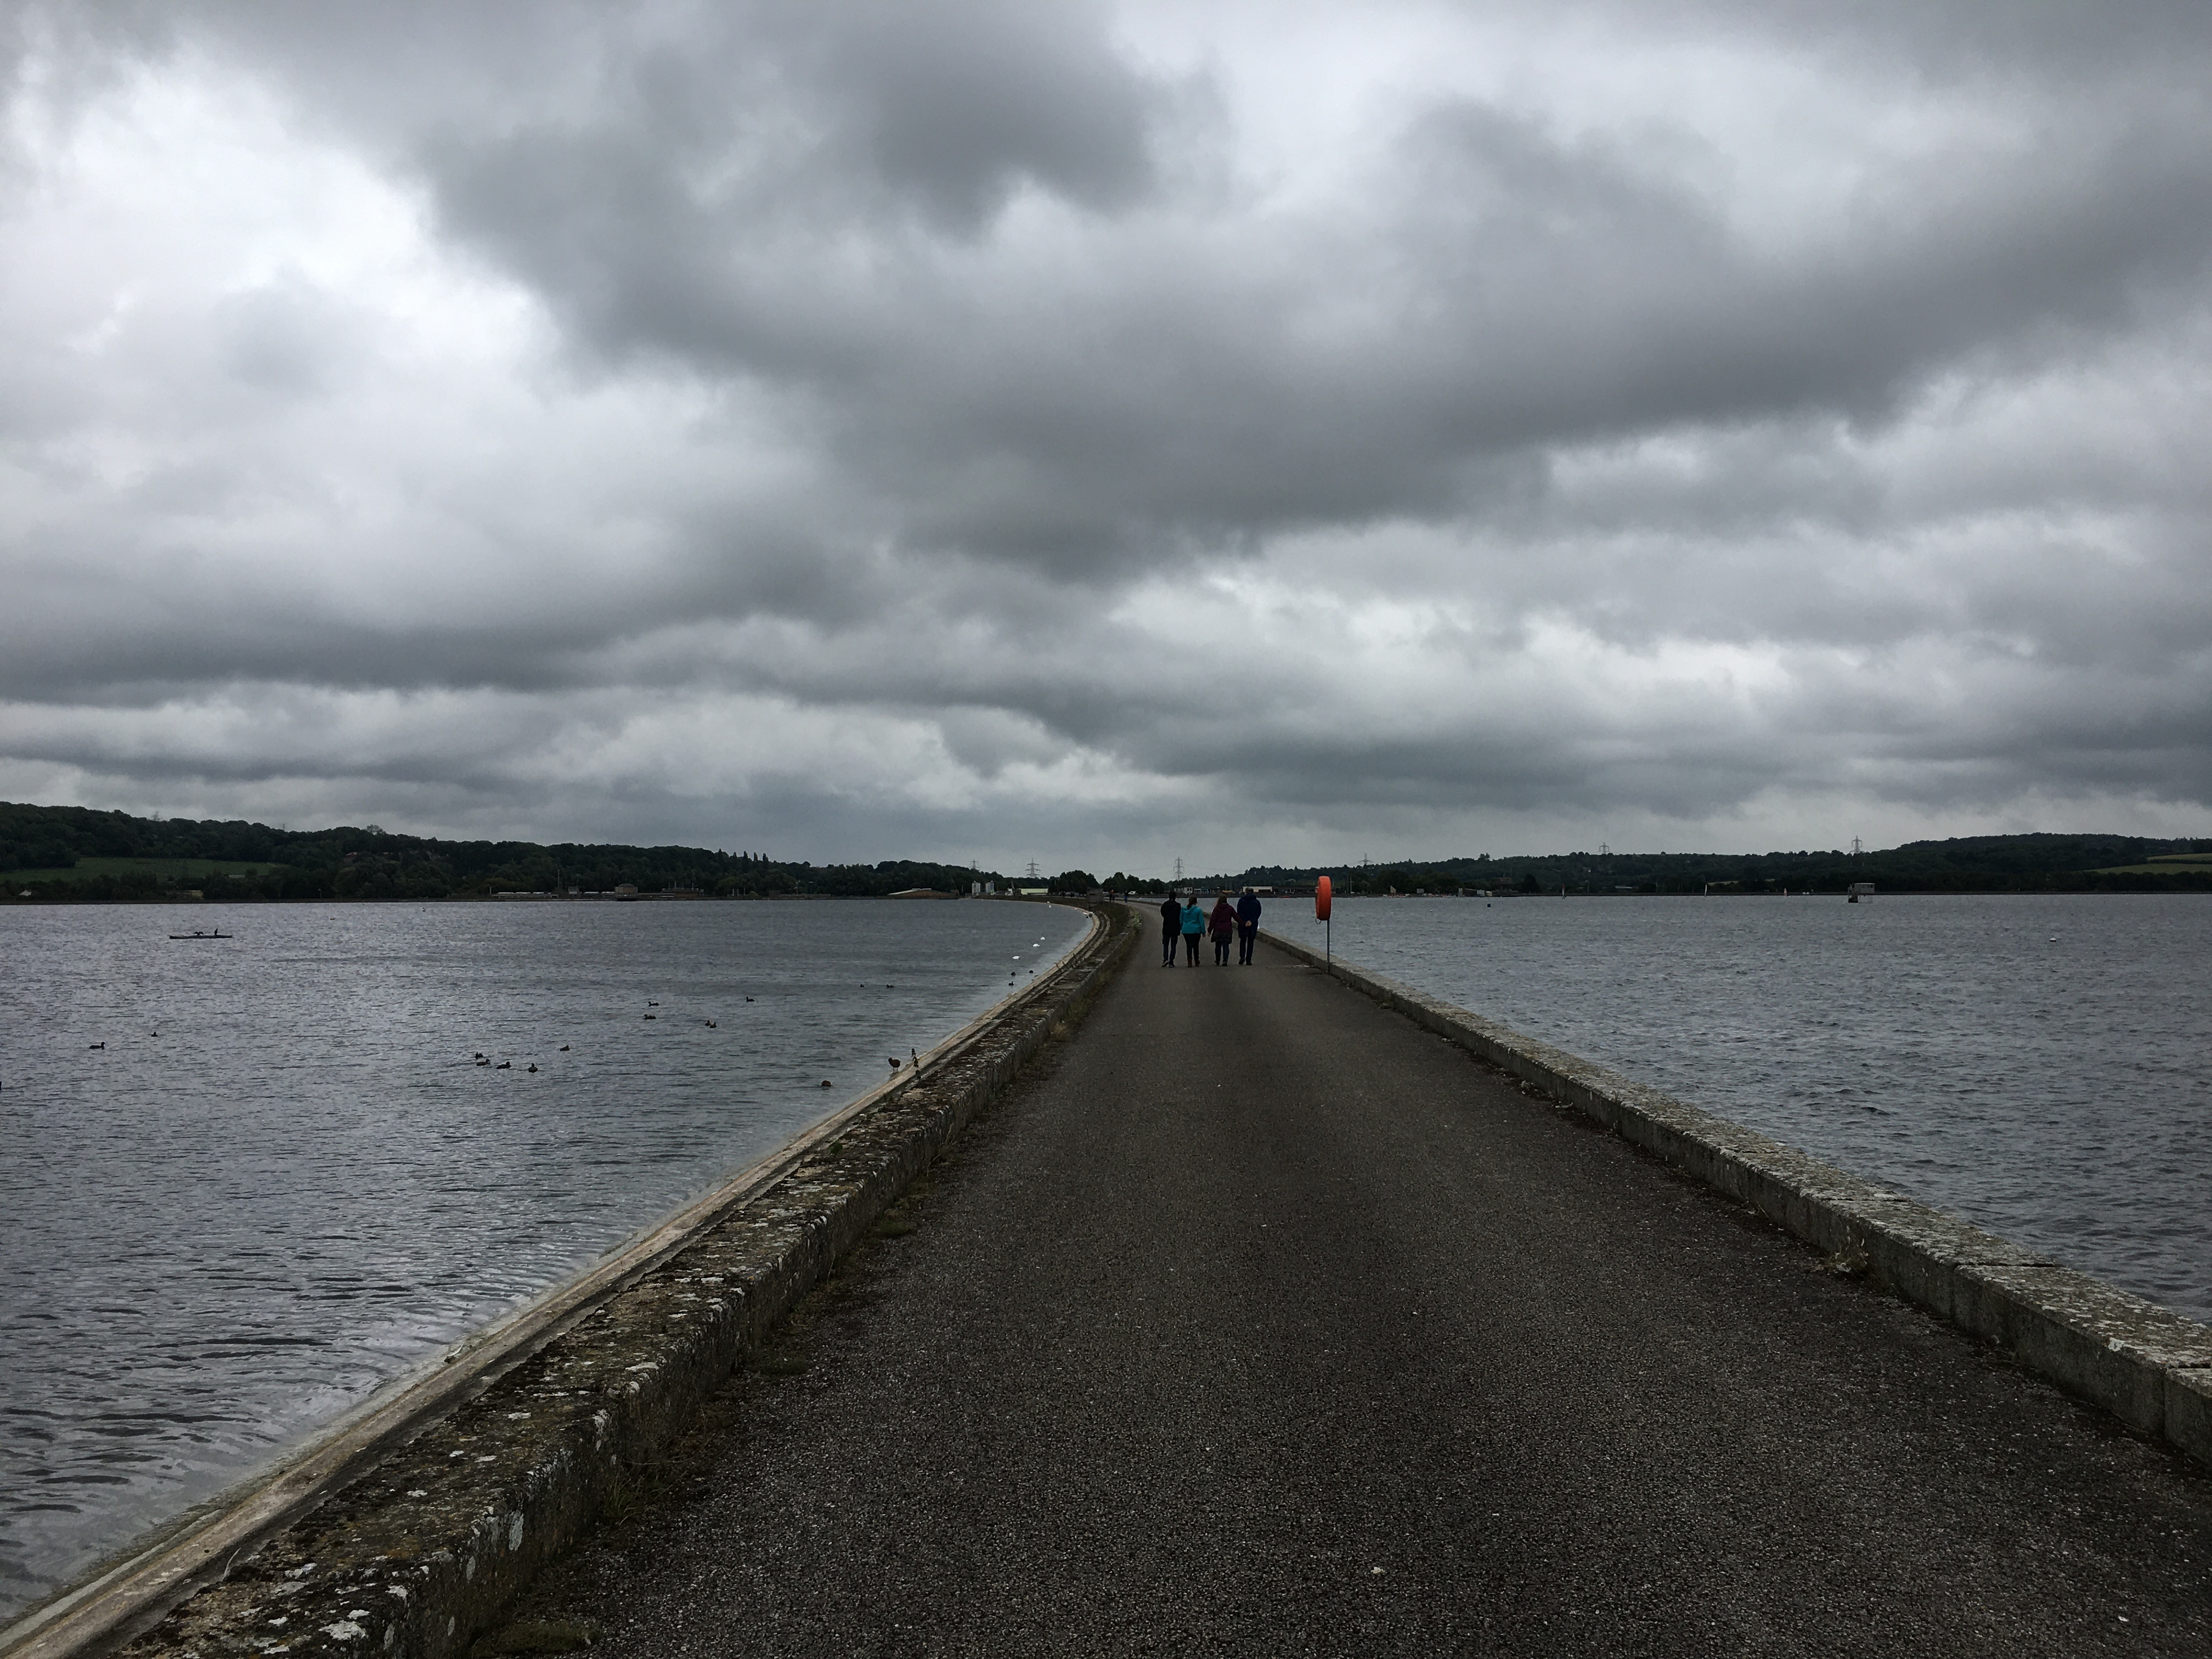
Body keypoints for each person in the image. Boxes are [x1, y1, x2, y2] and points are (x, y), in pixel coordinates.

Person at [1235, 887, 1262, 964]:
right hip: (1253, 924)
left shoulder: (1241, 901)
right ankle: (1249, 960)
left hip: (1243, 924)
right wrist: (1251, 921)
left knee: (1243, 941)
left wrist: (1245, 921)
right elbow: (1258, 913)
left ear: (1246, 892)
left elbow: (1239, 912)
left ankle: (1242, 957)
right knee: (1251, 942)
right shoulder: (1257, 902)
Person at [1207, 893, 1236, 964]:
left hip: (1218, 930)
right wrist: (1244, 923)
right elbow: (1237, 917)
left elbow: (1213, 920)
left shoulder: (1217, 909)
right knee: (1226, 946)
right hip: (1227, 930)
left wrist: (1210, 930)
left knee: (1218, 946)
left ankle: (1218, 960)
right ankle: (1225, 961)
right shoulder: (1230, 908)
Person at [1180, 895, 1206, 964]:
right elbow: (1201, 922)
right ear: (1196, 902)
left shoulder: (1183, 909)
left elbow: (1181, 920)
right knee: (1196, 946)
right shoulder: (1198, 910)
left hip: (1186, 930)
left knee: (1189, 946)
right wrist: (1203, 931)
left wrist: (1181, 928)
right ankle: (1196, 960)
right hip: (1196, 930)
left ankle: (1189, 961)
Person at [1159, 892, 1182, 966]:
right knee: (1173, 945)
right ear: (1176, 897)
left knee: (1165, 945)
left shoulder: (1165, 905)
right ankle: (1171, 962)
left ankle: (1166, 959)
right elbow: (1180, 915)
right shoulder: (1178, 906)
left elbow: (1163, 914)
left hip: (1166, 927)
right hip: (1175, 927)